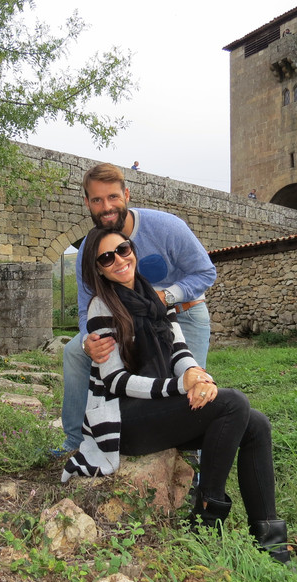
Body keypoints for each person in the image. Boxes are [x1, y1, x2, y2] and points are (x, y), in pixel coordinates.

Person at [61, 227, 290, 564]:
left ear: (132, 250)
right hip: (126, 419)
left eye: (123, 250)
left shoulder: (154, 299)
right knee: (234, 403)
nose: (119, 260)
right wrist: (179, 386)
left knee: (256, 424)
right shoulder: (101, 306)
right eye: (107, 258)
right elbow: (115, 381)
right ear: (98, 269)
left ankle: (271, 544)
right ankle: (206, 518)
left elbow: (178, 351)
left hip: (158, 409)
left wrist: (199, 377)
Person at [60, 163, 216, 453]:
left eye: (113, 197)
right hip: (124, 321)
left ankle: (192, 459)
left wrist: (165, 296)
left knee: (191, 379)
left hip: (183, 313)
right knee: (74, 352)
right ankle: (75, 442)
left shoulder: (167, 227)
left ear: (127, 195)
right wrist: (87, 342)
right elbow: (85, 307)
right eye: (97, 200)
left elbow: (205, 272)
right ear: (87, 203)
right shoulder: (89, 250)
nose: (106, 207)